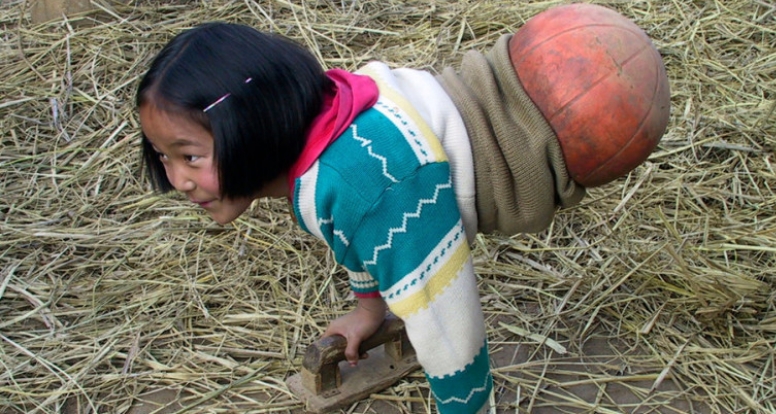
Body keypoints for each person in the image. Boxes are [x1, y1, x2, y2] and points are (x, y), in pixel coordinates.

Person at [138, 22, 508, 414]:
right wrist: (370, 311)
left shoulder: (367, 182)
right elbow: (363, 236)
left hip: (545, 132)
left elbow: (448, 326)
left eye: (190, 157)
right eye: (163, 155)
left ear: (250, 127)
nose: (177, 180)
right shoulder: (328, 133)